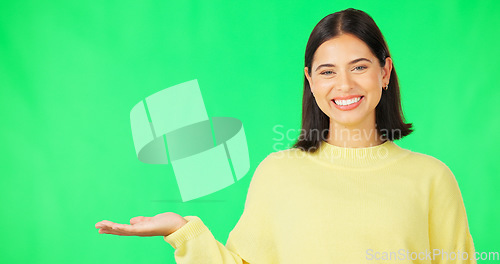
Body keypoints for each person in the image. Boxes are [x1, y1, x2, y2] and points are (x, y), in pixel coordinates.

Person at [95, 8, 477, 263]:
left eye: (359, 67)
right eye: (327, 71)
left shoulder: (432, 178)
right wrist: (183, 231)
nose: (344, 85)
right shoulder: (279, 173)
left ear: (384, 72)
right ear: (310, 81)